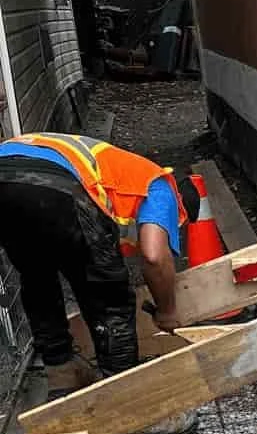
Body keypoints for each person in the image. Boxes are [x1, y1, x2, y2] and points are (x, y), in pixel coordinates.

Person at [0, 132, 201, 398]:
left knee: (37, 276)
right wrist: (167, 310)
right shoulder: (159, 184)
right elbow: (154, 257)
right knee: (109, 298)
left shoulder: (119, 169)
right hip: (56, 186)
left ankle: (63, 375)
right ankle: (124, 403)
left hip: (7, 175)